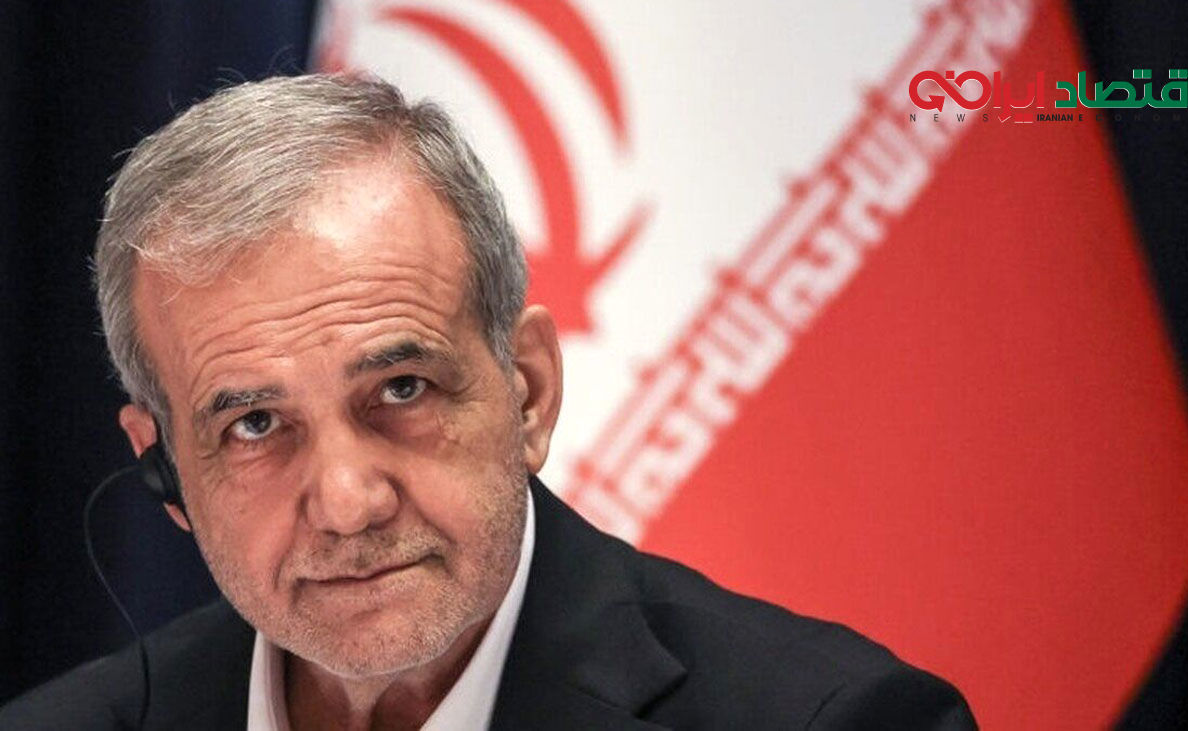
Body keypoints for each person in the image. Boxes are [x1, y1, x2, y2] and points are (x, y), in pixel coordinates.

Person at [0, 74, 975, 730]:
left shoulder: (833, 718)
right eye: (254, 423)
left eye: (402, 389)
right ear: (165, 469)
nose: (348, 502)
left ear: (529, 390)